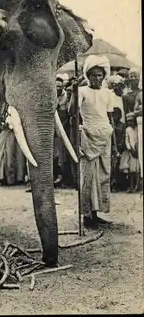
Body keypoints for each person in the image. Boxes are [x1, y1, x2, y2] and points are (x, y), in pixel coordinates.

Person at [69, 55, 114, 229]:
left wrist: (115, 144)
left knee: (102, 176)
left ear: (104, 76)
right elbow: (73, 112)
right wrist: (73, 92)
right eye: (93, 75)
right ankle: (87, 215)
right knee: (87, 176)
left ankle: (96, 212)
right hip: (88, 135)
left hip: (105, 135)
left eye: (99, 75)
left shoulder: (107, 93)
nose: (97, 78)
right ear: (88, 75)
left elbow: (110, 118)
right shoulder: (82, 91)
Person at [119, 113, 140, 192]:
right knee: (131, 171)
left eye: (131, 121)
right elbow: (127, 140)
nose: (130, 123)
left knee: (137, 170)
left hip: (137, 150)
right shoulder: (128, 129)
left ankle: (136, 186)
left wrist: (137, 149)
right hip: (131, 151)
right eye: (128, 121)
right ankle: (131, 186)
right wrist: (130, 149)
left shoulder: (138, 128)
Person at [111, 107, 125, 191]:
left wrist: (121, 146)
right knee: (113, 167)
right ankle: (113, 184)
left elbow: (124, 136)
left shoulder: (122, 125)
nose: (114, 117)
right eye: (113, 115)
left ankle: (119, 184)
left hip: (120, 148)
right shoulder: (110, 125)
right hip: (112, 149)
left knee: (120, 167)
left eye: (116, 115)